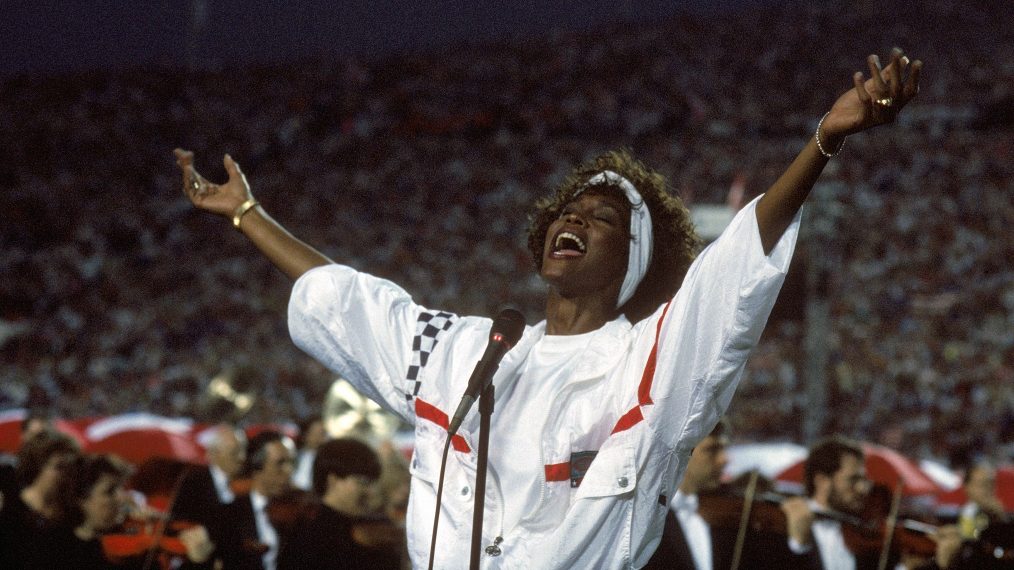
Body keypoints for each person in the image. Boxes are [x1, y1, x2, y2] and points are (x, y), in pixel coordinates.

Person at [175, 48, 922, 568]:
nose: (578, 216)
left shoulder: (650, 365)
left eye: (604, 218)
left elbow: (731, 276)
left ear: (634, 264)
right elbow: (349, 300)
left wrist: (822, 142)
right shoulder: (473, 350)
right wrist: (247, 214)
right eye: (569, 208)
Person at [644, 419, 817, 569]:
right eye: (712, 450)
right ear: (679, 453)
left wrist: (798, 544)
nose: (724, 459)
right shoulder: (646, 519)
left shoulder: (732, 516)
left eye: (724, 449)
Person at [792, 436, 962, 570]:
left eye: (864, 480)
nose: (862, 489)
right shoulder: (781, 528)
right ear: (822, 481)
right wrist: (798, 545)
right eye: (853, 480)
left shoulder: (860, 537)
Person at [277, 437, 403, 569]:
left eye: (372, 483)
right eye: (362, 483)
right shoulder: (308, 536)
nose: (371, 492)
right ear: (333, 480)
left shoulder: (369, 527)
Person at [211, 430, 295, 570]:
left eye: (292, 462)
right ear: (256, 465)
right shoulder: (228, 515)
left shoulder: (299, 514)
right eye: (280, 463)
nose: (289, 470)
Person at [0, 429, 81, 569]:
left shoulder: (70, 515)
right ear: (38, 465)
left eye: (70, 468)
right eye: (59, 467)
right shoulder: (8, 508)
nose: (66, 474)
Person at [173, 422, 247, 529]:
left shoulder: (244, 486)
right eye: (235, 452)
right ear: (215, 453)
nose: (242, 458)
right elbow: (180, 523)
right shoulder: (193, 484)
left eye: (244, 451)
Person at [290, 415, 328, 491]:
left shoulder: (326, 460)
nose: (319, 439)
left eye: (322, 434)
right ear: (305, 435)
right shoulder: (293, 455)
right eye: (315, 434)